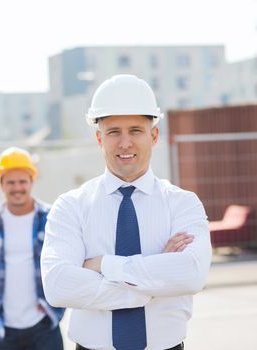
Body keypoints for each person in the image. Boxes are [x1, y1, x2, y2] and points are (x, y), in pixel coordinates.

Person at [41, 74, 212, 350]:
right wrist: (153, 282)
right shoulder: (70, 206)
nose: (125, 143)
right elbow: (58, 285)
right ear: (99, 138)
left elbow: (191, 273)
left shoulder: (183, 203)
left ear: (153, 135)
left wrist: (103, 265)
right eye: (113, 132)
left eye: (135, 131)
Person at [0, 147, 65, 350]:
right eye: (10, 182)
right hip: (4, 328)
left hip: (44, 325)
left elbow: (70, 261)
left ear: (32, 181)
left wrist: (58, 303)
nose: (17, 188)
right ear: (1, 184)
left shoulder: (51, 219)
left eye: (22, 181)